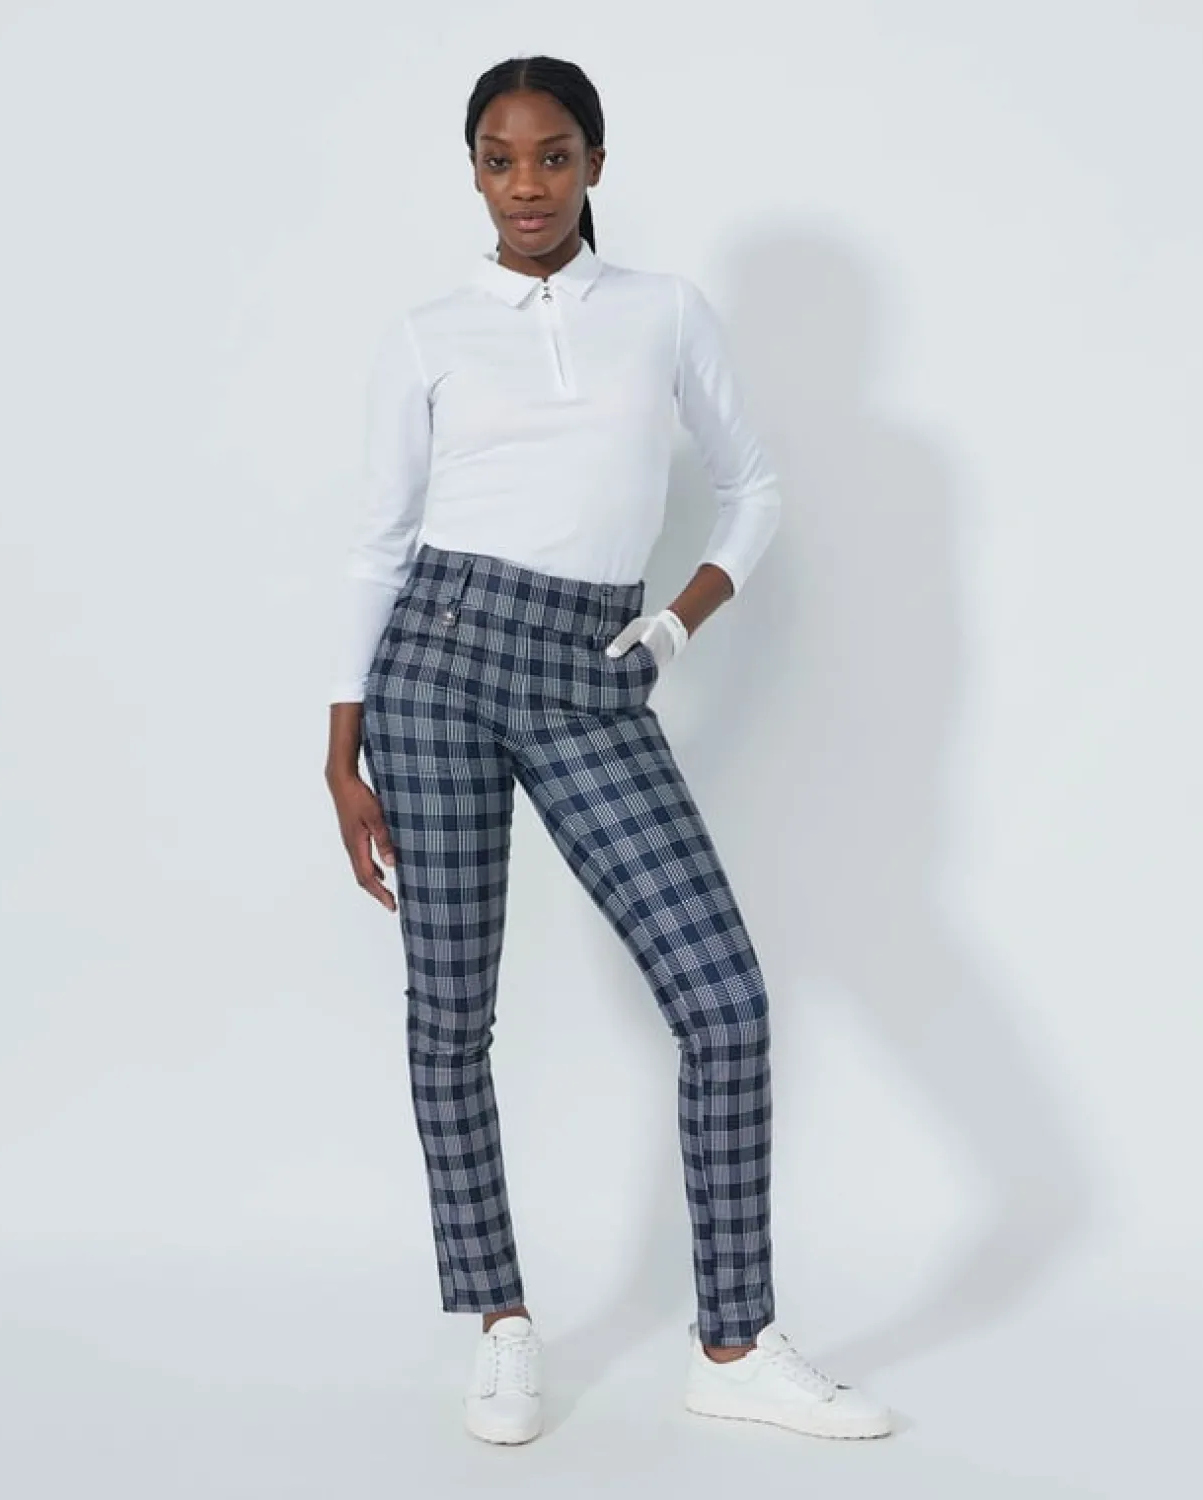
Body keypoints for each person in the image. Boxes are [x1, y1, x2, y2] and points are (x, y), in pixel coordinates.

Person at [324, 54, 894, 1446]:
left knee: (724, 1003)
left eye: (554, 155)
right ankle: (500, 1322)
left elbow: (753, 488)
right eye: (500, 159)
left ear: (593, 162)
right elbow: (380, 542)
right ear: (473, 172)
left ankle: (733, 1342)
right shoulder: (429, 334)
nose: (527, 184)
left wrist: (678, 626)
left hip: (593, 669)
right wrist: (343, 748)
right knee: (451, 1014)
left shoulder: (664, 312)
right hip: (437, 663)